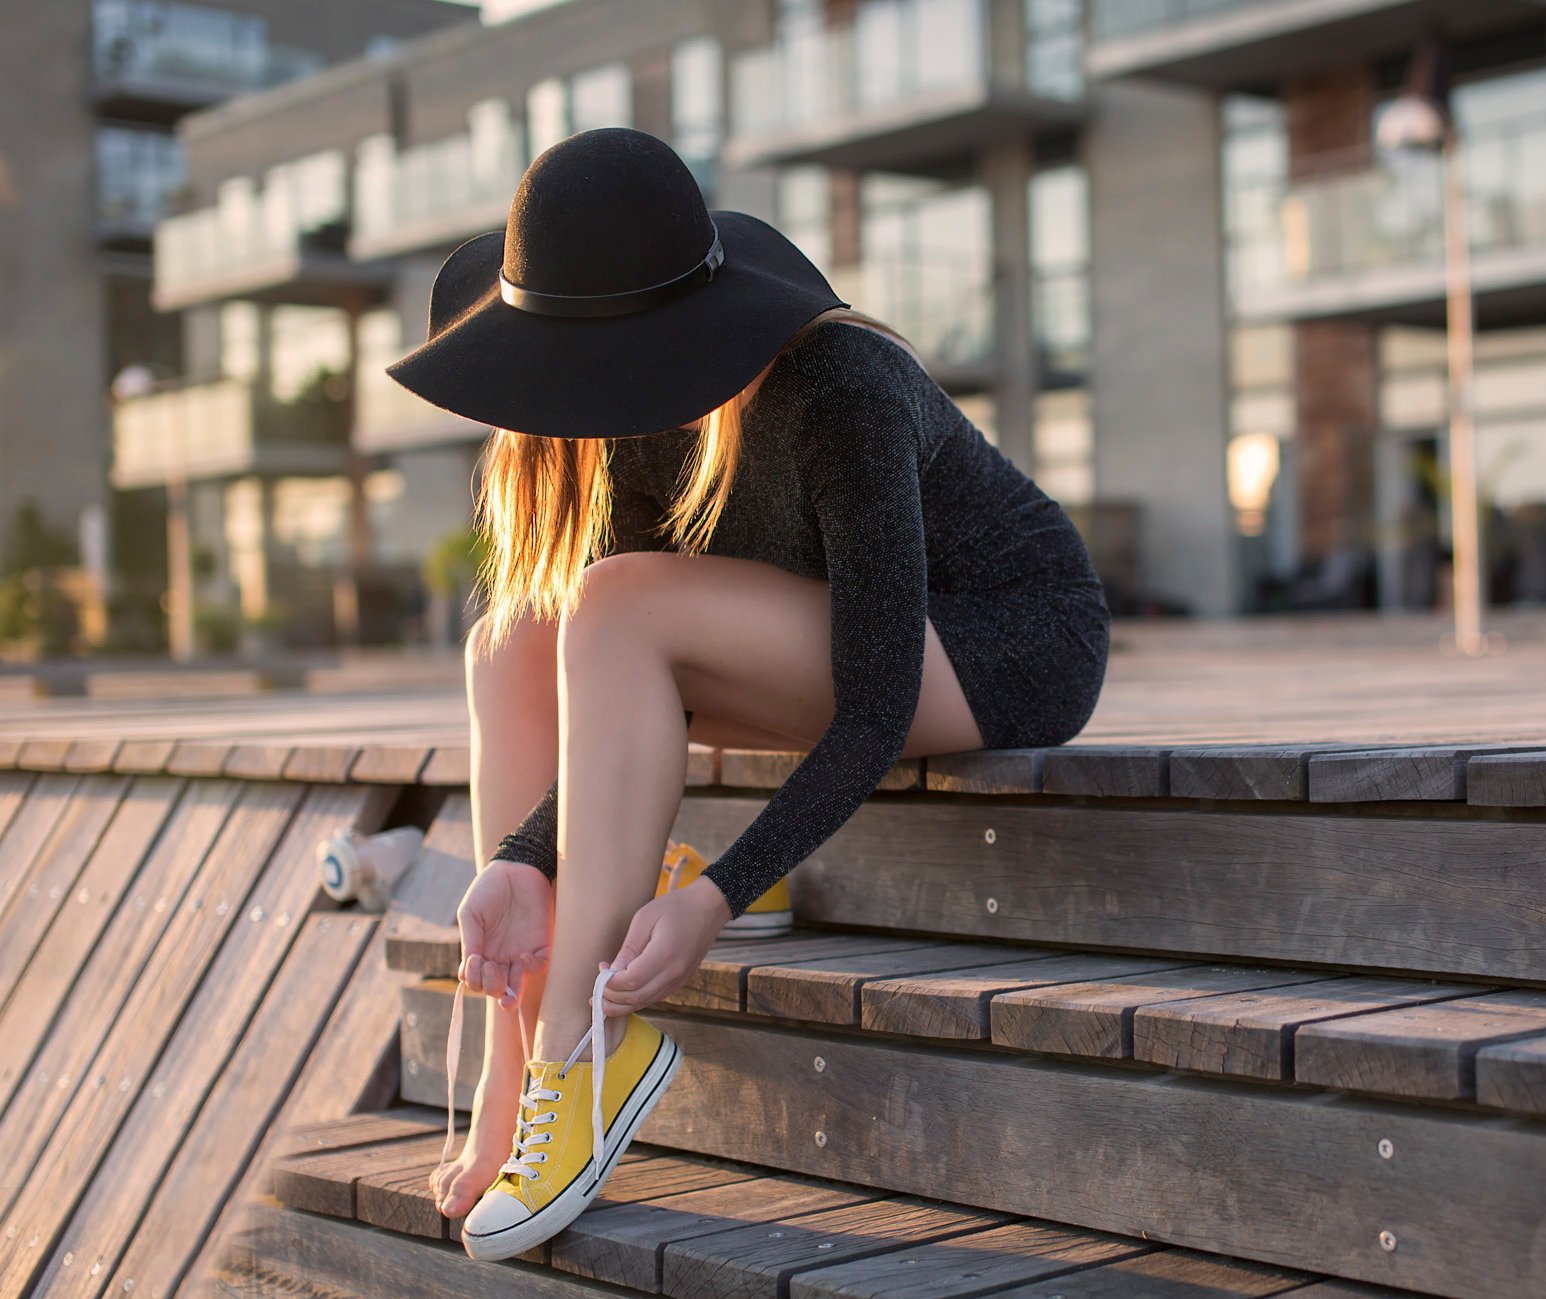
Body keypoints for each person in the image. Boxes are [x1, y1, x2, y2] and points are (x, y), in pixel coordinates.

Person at [385, 128, 1111, 1262]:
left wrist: (722, 892)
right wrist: (526, 860)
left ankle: (582, 1047)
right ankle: (517, 1070)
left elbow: (875, 700)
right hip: (820, 653)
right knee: (512, 639)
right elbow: (610, 687)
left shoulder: (840, 384)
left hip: (999, 643)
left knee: (614, 600)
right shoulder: (632, 414)